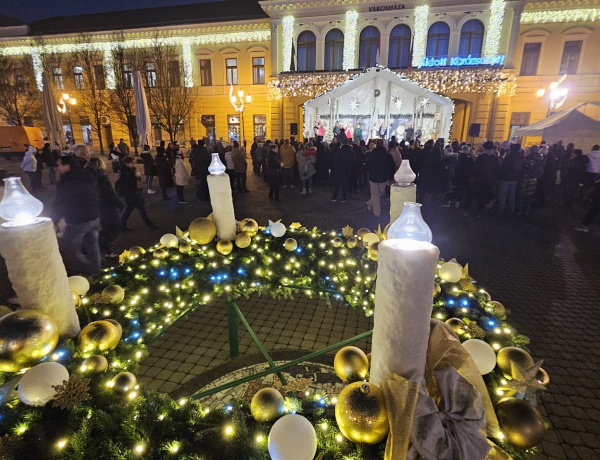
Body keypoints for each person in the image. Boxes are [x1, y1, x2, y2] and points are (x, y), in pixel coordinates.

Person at [52, 156, 101, 275]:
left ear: (67, 166)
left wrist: (55, 220)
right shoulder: (87, 176)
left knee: (69, 249)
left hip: (78, 220)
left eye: (59, 165)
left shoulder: (67, 181)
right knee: (93, 245)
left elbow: (60, 202)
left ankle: (90, 269)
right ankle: (96, 270)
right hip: (94, 217)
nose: (57, 168)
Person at [85, 158, 123, 258]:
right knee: (115, 227)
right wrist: (120, 204)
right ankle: (103, 249)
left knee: (104, 228)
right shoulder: (101, 177)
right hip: (107, 207)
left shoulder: (87, 177)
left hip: (96, 207)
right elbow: (109, 193)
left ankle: (105, 250)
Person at [117, 157, 158, 230]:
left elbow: (138, 181)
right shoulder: (126, 172)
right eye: (132, 163)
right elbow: (131, 184)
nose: (134, 164)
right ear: (127, 164)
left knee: (131, 210)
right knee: (139, 210)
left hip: (134, 193)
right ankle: (151, 225)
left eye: (134, 162)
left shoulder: (130, 170)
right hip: (132, 194)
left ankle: (122, 225)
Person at [463, 140, 500, 217]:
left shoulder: (482, 157)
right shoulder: (495, 158)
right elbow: (497, 170)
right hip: (489, 181)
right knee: (483, 197)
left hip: (479, 179)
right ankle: (479, 212)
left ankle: (466, 210)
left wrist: (473, 176)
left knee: (470, 194)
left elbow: (475, 168)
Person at [365, 139, 395, 217]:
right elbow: (392, 167)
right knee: (381, 192)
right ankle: (373, 207)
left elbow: (367, 165)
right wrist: (391, 177)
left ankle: (376, 211)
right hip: (383, 177)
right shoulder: (388, 155)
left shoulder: (372, 154)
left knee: (375, 194)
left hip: (373, 176)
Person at [516, 145, 544, 216]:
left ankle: (518, 211)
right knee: (528, 196)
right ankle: (526, 211)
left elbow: (524, 168)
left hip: (525, 179)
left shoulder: (528, 159)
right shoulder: (539, 159)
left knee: (521, 195)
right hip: (533, 180)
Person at [497, 143, 524, 214]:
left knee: (503, 194)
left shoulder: (509, 157)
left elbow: (503, 168)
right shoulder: (522, 157)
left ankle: (501, 209)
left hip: (506, 178)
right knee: (512, 194)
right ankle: (511, 209)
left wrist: (500, 177)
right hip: (515, 179)